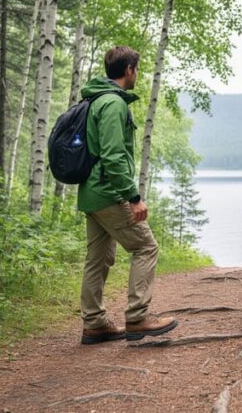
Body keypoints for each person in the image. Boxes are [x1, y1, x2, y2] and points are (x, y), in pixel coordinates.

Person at [77, 46, 177, 344]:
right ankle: (137, 317)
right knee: (146, 247)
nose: (138, 74)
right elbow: (112, 155)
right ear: (130, 70)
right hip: (108, 192)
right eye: (138, 69)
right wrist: (132, 196)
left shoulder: (96, 99)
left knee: (98, 259)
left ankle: (94, 323)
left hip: (92, 193)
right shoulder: (113, 104)